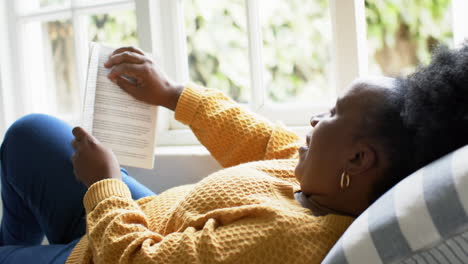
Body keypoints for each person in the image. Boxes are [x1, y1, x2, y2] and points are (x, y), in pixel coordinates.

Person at [0, 43, 467, 263]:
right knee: (29, 134)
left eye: (331, 113)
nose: (314, 123)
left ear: (359, 160)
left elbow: (138, 262)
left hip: (108, 252)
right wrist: (173, 94)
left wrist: (104, 184)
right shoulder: (322, 180)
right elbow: (261, 139)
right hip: (132, 215)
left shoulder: (282, 242)